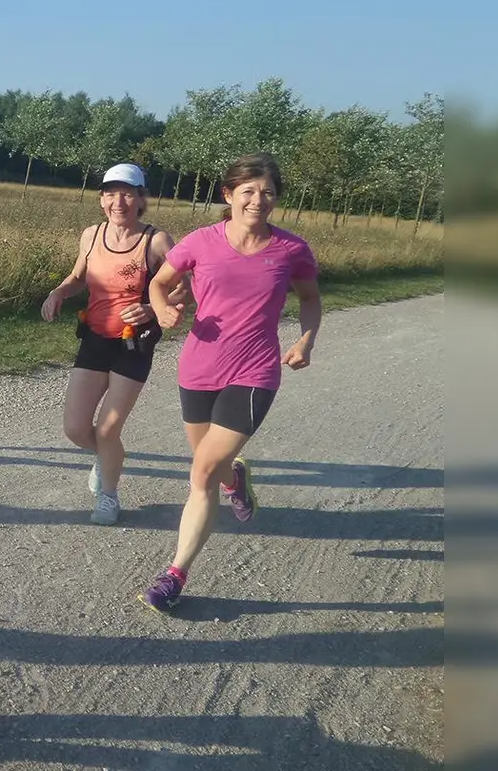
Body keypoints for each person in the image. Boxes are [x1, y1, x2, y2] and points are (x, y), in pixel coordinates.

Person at [138, 152, 322, 612]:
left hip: (255, 371)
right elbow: (159, 283)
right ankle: (235, 477)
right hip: (199, 367)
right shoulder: (200, 242)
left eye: (268, 193)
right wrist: (161, 309)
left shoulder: (292, 250)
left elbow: (311, 299)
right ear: (229, 195)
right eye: (249, 191)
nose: (258, 200)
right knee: (213, 467)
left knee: (200, 473)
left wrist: (307, 339)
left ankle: (175, 574)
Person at [41, 162, 180, 525]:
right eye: (111, 193)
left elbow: (187, 285)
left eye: (127, 193)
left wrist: (153, 307)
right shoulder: (91, 235)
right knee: (75, 429)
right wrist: (59, 292)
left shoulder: (157, 241)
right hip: (95, 338)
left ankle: (108, 495)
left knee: (107, 429)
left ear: (140, 199)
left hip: (134, 343)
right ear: (102, 199)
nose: (118, 201)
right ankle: (107, 457)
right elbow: (76, 277)